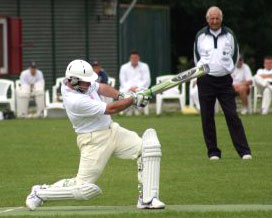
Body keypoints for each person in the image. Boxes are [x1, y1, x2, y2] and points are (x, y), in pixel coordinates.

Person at [25, 60, 165, 210]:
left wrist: (123, 95)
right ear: (73, 81)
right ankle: (39, 192)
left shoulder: (80, 83)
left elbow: (100, 88)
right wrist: (132, 100)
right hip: (94, 141)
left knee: (148, 149)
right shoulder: (75, 101)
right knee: (82, 188)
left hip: (113, 130)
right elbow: (110, 109)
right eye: (86, 82)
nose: (89, 84)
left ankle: (147, 199)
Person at [193, 6, 252, 160]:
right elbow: (196, 57)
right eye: (211, 18)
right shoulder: (200, 36)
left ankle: (244, 152)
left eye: (217, 18)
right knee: (207, 117)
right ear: (207, 20)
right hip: (205, 80)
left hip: (225, 81)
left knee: (232, 115)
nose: (214, 21)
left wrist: (225, 70)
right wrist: (203, 72)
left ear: (221, 19)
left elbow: (235, 55)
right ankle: (213, 152)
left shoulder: (229, 35)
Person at [119, 51, 151, 115]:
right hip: (127, 88)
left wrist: (137, 88)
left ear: (139, 58)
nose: (134, 59)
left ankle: (138, 110)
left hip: (141, 88)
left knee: (142, 93)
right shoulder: (124, 67)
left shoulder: (144, 66)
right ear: (130, 58)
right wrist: (130, 88)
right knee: (123, 92)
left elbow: (146, 80)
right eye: (132, 58)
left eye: (136, 58)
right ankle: (127, 110)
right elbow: (122, 81)